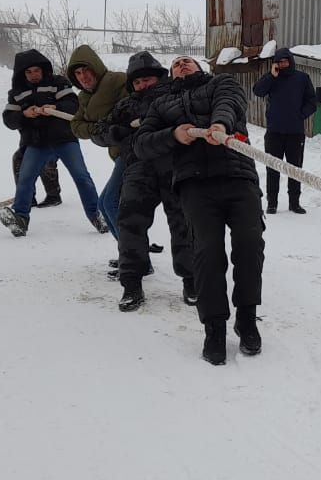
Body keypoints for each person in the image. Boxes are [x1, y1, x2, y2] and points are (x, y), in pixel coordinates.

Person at [132, 56, 265, 366]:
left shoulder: (220, 83)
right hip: (194, 185)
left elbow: (229, 104)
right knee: (206, 252)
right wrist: (175, 135)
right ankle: (214, 327)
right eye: (176, 64)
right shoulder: (161, 104)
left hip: (237, 176)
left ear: (199, 67)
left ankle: (247, 319)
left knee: (249, 244)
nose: (181, 65)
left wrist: (219, 126)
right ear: (170, 74)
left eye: (186, 61)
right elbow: (142, 144)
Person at [103, 52, 196, 312]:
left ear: (160, 77)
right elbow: (101, 130)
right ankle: (131, 283)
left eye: (148, 79)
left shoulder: (175, 95)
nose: (144, 85)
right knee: (130, 221)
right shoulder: (125, 106)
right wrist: (114, 132)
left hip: (174, 165)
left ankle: (191, 280)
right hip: (139, 167)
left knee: (182, 222)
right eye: (138, 82)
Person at [0, 49, 108, 238]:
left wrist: (55, 107)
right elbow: (9, 119)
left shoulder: (58, 83)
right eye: (29, 72)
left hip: (64, 139)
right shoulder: (16, 92)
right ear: (22, 73)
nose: (33, 75)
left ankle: (97, 216)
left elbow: (74, 104)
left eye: (36, 71)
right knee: (25, 179)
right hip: (36, 143)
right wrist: (25, 114)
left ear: (43, 70)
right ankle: (20, 218)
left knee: (82, 177)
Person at [67, 45, 128, 239]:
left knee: (110, 202)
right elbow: (76, 126)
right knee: (104, 204)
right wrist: (96, 130)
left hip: (132, 151)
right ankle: (127, 255)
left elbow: (129, 111)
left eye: (86, 70)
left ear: (96, 67)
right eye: (78, 73)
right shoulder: (84, 97)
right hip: (118, 153)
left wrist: (108, 126)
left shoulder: (117, 80)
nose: (83, 77)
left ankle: (135, 261)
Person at [253, 48, 316, 215]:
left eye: (285, 61)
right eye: (279, 62)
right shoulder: (272, 78)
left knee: (295, 169)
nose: (282, 65)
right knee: (272, 168)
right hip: (274, 132)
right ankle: (272, 203)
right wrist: (271, 76)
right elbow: (257, 91)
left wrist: (300, 115)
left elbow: (312, 101)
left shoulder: (302, 78)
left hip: (295, 133)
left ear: (291, 61)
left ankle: (294, 203)